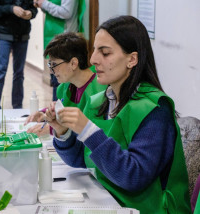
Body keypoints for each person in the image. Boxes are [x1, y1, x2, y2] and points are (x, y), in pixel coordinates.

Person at [45, 16, 191, 213]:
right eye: (95, 50)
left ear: (132, 59)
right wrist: (63, 133)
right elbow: (83, 160)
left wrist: (88, 131)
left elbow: (133, 177)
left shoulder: (154, 110)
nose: (93, 59)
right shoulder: (99, 101)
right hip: (108, 201)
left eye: (105, 53)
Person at [25, 32, 106, 137]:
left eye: (54, 64)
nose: (51, 70)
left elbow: (92, 133)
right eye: (50, 64)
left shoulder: (98, 91)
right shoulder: (66, 86)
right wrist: (44, 114)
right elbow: (63, 108)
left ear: (73, 63)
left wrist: (52, 128)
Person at [0, 0, 38, 109]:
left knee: (19, 72)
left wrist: (31, 13)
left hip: (23, 34)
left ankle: (17, 106)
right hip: (3, 32)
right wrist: (11, 9)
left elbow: (34, 8)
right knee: (1, 69)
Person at [33, 0, 85, 101]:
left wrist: (44, 3)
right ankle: (56, 111)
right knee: (56, 81)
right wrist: (41, 4)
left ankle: (58, 112)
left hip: (65, 43)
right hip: (55, 39)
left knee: (61, 84)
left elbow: (66, 12)